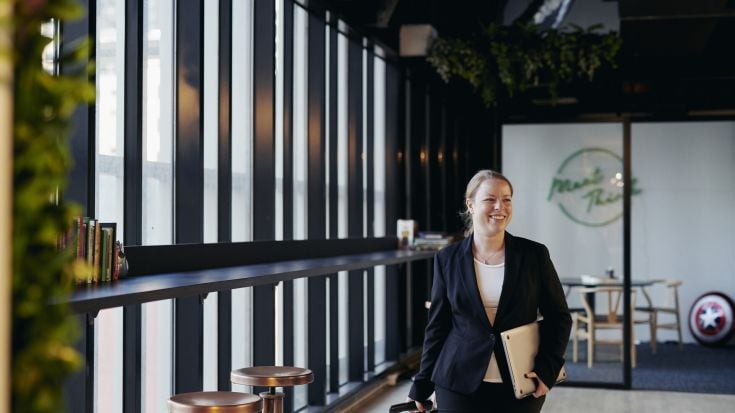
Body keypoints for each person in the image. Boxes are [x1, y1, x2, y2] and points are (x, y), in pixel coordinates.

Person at [408, 170, 571, 412]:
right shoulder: (447, 259)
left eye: (507, 199)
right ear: (470, 204)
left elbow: (559, 318)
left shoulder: (534, 255)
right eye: (490, 199)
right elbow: (438, 325)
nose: (500, 206)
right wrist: (422, 384)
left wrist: (547, 371)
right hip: (457, 381)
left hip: (521, 380)